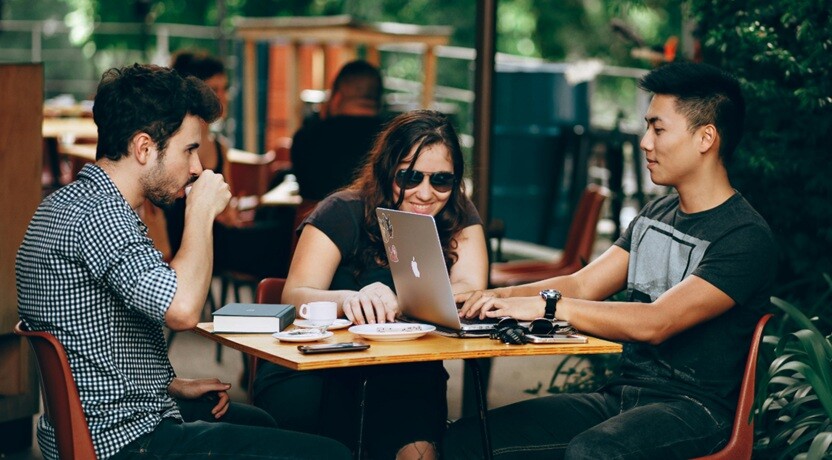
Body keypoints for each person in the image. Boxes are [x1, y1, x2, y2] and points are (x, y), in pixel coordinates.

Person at [15, 64, 351, 460]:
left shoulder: (66, 204)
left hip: (95, 425)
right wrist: (200, 211)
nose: (197, 167)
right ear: (144, 148)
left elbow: (90, 343)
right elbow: (183, 310)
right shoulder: (102, 216)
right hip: (123, 442)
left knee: (261, 423)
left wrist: (168, 386)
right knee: (330, 453)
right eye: (189, 149)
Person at [444, 62, 776, 459]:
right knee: (466, 440)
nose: (645, 142)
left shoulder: (744, 236)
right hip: (623, 398)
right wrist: (493, 297)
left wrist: (548, 306)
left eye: (658, 128)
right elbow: (584, 284)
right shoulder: (656, 214)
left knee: (594, 451)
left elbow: (657, 322)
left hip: (696, 410)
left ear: (706, 137)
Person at [253, 110, 489, 459]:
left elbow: (470, 288)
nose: (426, 193)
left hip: (405, 366)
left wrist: (401, 298)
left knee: (415, 403)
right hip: (323, 364)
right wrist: (352, 298)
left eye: (441, 179)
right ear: (386, 171)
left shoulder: (456, 213)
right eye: (410, 177)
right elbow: (294, 295)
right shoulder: (341, 210)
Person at [291, 59, 385, 200]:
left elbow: (305, 192)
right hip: (374, 221)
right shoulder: (392, 138)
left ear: (336, 97)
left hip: (316, 220)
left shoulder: (306, 137)